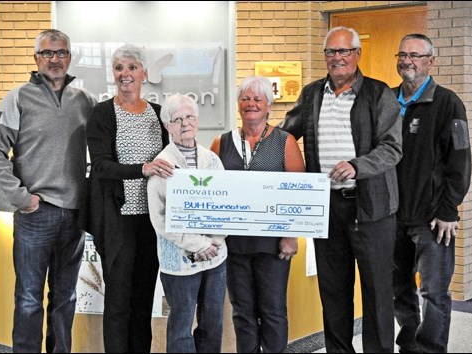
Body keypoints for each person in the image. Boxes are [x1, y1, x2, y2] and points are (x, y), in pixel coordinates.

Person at [280, 26, 402, 353]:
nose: (337, 58)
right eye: (331, 52)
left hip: (372, 209)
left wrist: (357, 165)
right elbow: (283, 137)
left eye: (344, 51)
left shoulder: (379, 94)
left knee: (377, 292)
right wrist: (244, 148)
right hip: (326, 209)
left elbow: (392, 148)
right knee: (333, 291)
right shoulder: (311, 94)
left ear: (357, 54)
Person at [0, 29, 96, 353]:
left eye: (61, 52)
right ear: (36, 59)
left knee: (65, 299)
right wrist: (22, 198)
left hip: (74, 217)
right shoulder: (18, 98)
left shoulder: (85, 101)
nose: (55, 59)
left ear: (69, 57)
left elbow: (98, 155)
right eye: (47, 53)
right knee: (28, 298)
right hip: (36, 215)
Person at [81, 43, 170, 352]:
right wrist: (143, 168)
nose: (125, 74)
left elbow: (172, 161)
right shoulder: (102, 113)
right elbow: (102, 166)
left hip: (151, 221)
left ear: (144, 73)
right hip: (116, 219)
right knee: (118, 302)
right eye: (119, 68)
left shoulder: (159, 115)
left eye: (132, 67)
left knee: (144, 299)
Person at [210, 75, 305, 353]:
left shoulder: (284, 141)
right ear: (238, 105)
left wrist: (290, 235)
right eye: (245, 98)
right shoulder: (221, 142)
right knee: (242, 312)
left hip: (273, 244)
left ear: (268, 106)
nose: (251, 103)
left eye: (257, 99)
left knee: (273, 310)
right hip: (234, 244)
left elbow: (297, 191)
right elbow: (212, 190)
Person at [392, 34, 472, 353]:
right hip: (391, 215)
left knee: (435, 292)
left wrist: (449, 209)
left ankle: (430, 349)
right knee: (398, 289)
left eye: (415, 54)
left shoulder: (448, 102)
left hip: (432, 219)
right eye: (402, 54)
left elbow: (460, 158)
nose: (407, 60)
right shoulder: (386, 100)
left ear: (430, 61)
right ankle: (410, 343)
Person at [147, 94, 227, 353]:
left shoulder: (212, 160)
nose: (185, 123)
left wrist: (212, 242)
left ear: (198, 120)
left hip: (215, 256)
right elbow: (160, 218)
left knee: (212, 323)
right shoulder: (163, 165)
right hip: (179, 261)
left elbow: (225, 203)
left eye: (189, 116)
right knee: (181, 325)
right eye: (177, 119)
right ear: (167, 126)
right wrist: (197, 243)